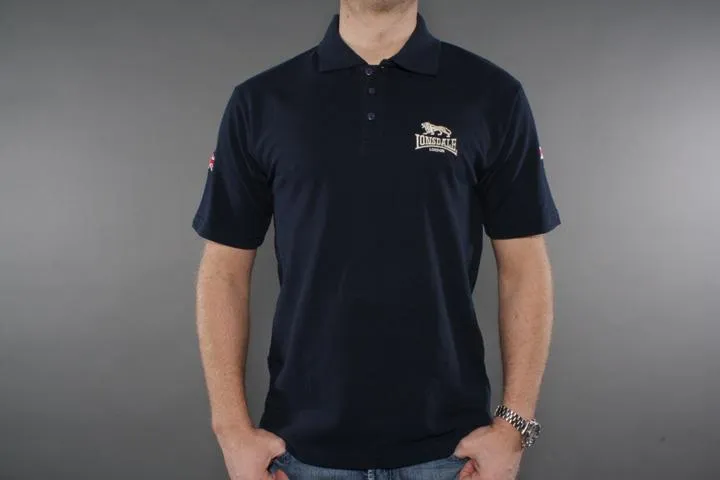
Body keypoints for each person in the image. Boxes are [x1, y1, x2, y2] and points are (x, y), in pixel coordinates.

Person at [191, 1, 561, 478]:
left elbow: (524, 267)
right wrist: (231, 430)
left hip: (452, 457)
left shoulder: (492, 95)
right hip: (300, 456)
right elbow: (223, 271)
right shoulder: (261, 102)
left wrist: (515, 425)